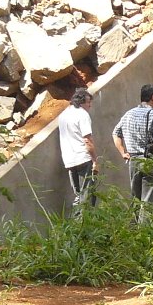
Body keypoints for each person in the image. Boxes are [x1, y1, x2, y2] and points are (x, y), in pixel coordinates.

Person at [113, 84, 153, 218]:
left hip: (133, 160)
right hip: (149, 158)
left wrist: (122, 152)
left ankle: (134, 231)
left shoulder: (129, 113)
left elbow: (115, 133)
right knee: (148, 199)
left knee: (135, 198)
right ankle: (145, 232)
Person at [58, 87, 98, 215]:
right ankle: (86, 228)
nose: (90, 106)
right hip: (83, 158)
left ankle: (76, 228)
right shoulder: (82, 114)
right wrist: (95, 160)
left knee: (78, 196)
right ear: (81, 103)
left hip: (69, 160)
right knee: (87, 196)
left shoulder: (64, 115)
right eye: (88, 102)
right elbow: (87, 140)